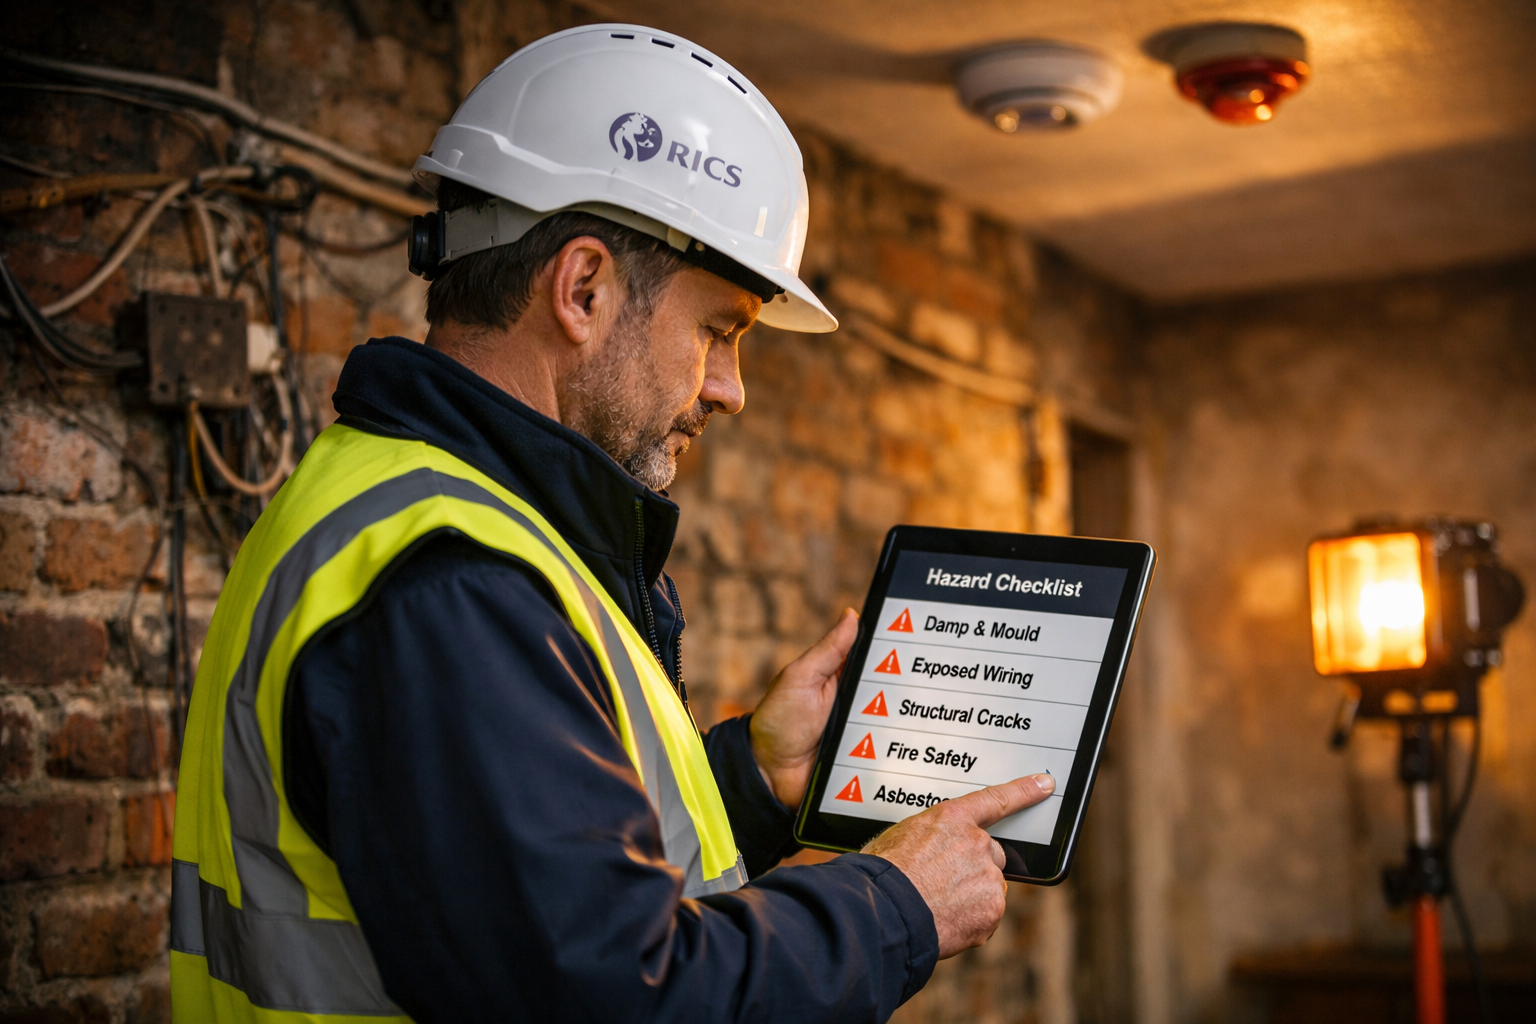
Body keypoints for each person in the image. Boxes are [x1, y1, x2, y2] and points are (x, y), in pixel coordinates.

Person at [169, 23, 1055, 1023]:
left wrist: (753, 782)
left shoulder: (419, 514)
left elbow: (528, 883)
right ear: (583, 288)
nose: (731, 389)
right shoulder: (454, 582)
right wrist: (896, 905)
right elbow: (611, 992)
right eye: (720, 331)